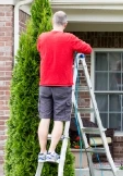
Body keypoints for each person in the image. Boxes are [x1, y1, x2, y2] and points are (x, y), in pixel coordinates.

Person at [37, 11, 92, 163]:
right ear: (65, 24)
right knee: (59, 119)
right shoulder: (69, 38)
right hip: (62, 85)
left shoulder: (42, 37)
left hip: (45, 84)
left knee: (44, 118)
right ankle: (52, 152)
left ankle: (42, 152)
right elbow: (88, 49)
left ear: (52, 22)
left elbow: (41, 50)